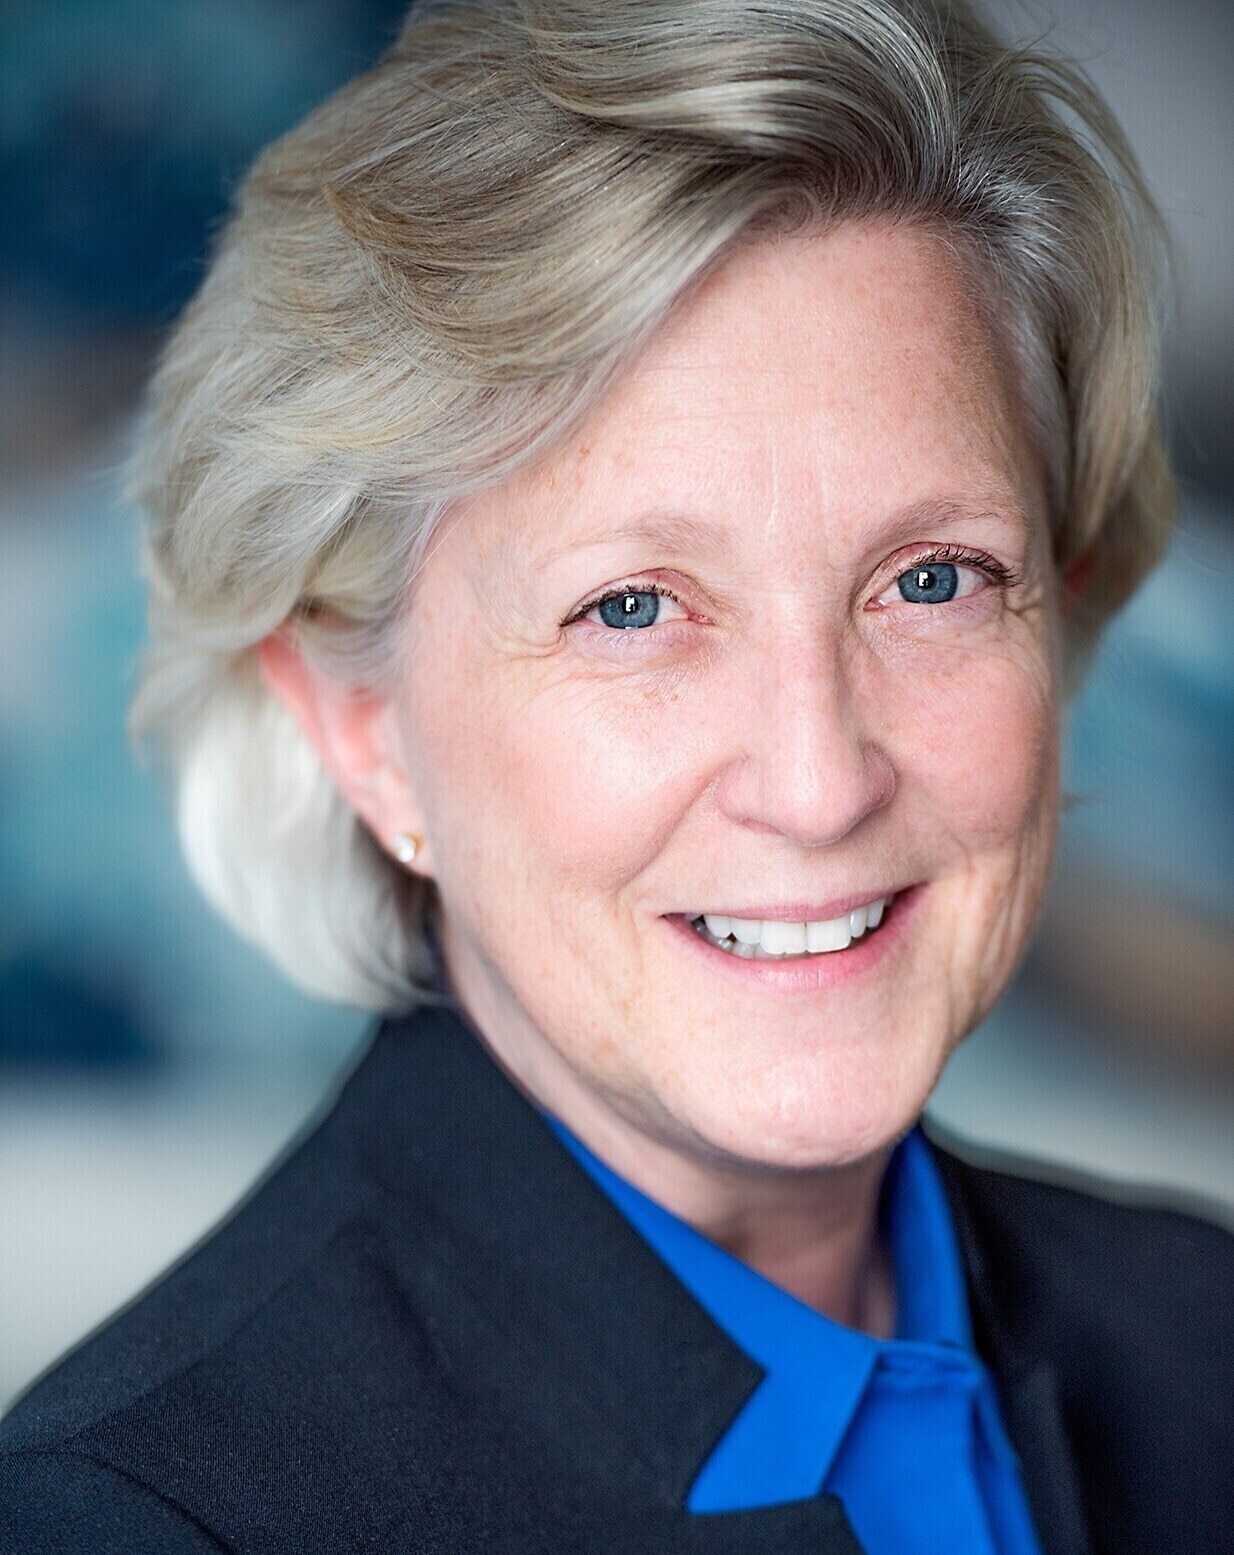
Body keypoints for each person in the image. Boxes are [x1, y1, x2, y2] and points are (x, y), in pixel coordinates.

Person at [2, 0, 1231, 1550]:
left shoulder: (1204, 1339)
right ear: (359, 726)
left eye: (929, 580)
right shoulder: (137, 1520)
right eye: (632, 608)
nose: (817, 783)